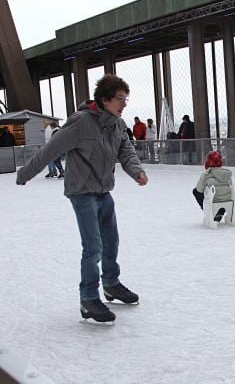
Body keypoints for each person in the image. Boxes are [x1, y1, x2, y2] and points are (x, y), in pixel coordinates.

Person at [16, 74, 148, 324]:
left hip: (103, 191)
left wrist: (137, 171)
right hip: (82, 192)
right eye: (120, 99)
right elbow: (49, 151)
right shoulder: (80, 122)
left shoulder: (118, 125)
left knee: (112, 242)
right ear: (105, 99)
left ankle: (110, 284)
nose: (124, 104)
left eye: (125, 98)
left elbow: (126, 151)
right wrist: (25, 174)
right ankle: (88, 298)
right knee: (93, 247)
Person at [192, 150, 234, 222]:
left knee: (195, 191)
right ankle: (221, 212)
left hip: (214, 200)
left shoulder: (206, 174)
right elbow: (230, 184)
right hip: (228, 199)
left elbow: (199, 190)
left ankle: (210, 212)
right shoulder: (226, 173)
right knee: (222, 193)